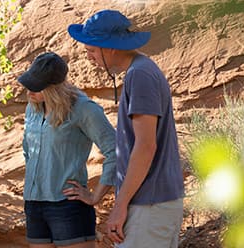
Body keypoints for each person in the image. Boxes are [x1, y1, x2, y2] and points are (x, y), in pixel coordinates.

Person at [68, 10, 185, 248]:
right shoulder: (140, 70)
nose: (89, 57)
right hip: (153, 201)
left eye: (91, 50)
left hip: (150, 203)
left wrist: (120, 207)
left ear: (110, 47)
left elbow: (146, 146)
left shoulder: (139, 75)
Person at [17, 51, 117, 248]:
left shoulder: (84, 109)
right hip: (34, 204)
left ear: (54, 88)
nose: (29, 92)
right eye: (28, 85)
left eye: (36, 88)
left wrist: (96, 195)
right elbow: (29, 152)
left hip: (67, 206)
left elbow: (116, 150)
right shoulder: (33, 108)